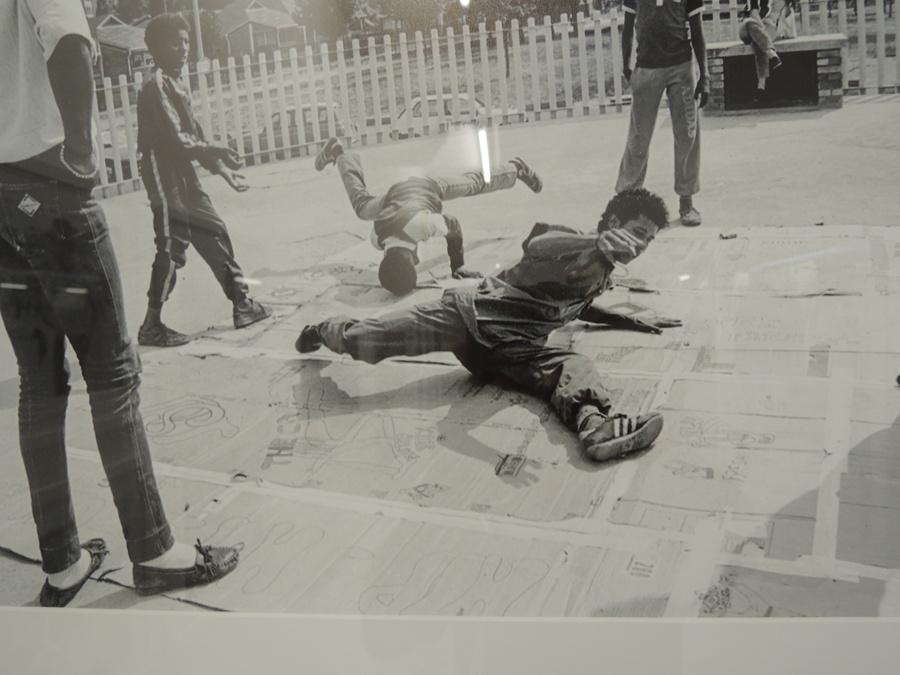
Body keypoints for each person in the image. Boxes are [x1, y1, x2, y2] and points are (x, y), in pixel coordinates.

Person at [0, 0, 239, 607]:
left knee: (39, 381)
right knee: (112, 374)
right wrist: (80, 152)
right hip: (48, 184)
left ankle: (62, 564)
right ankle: (154, 551)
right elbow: (68, 41)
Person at [296, 188, 680, 462]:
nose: (641, 246)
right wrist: (595, 242)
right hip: (467, 321)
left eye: (648, 240)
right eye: (638, 233)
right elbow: (536, 246)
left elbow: (579, 306)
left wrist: (631, 319)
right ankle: (325, 330)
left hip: (511, 350)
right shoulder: (573, 241)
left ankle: (595, 427)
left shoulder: (604, 272)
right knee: (369, 339)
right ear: (614, 222)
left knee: (575, 366)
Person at [136, 13, 271, 347]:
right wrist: (218, 149)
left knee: (213, 229)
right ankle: (151, 325)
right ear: (156, 49)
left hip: (182, 167)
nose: (184, 48)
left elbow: (192, 134)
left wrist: (223, 171)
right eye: (175, 43)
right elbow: (177, 138)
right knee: (173, 243)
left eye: (186, 42)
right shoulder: (155, 85)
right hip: (162, 169)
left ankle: (242, 304)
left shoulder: (177, 83)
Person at [313, 137, 543, 296]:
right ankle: (339, 153)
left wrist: (457, 266)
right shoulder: (376, 238)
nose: (417, 262)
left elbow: (453, 224)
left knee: (474, 183)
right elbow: (391, 245)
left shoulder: (423, 225)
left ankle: (516, 168)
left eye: (413, 264)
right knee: (363, 207)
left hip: (425, 187)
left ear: (409, 257)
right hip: (393, 197)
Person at [616, 0, 710, 228]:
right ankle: (627, 200)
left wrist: (705, 76)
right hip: (647, 67)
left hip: (681, 66)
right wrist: (626, 65)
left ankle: (686, 201)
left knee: (687, 134)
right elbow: (628, 27)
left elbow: (697, 30)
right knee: (638, 137)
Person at [738, 0, 797, 103]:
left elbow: (787, 12)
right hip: (749, 27)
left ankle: (761, 87)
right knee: (755, 29)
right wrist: (763, 29)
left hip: (768, 29)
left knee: (760, 42)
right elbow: (754, 13)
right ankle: (771, 53)